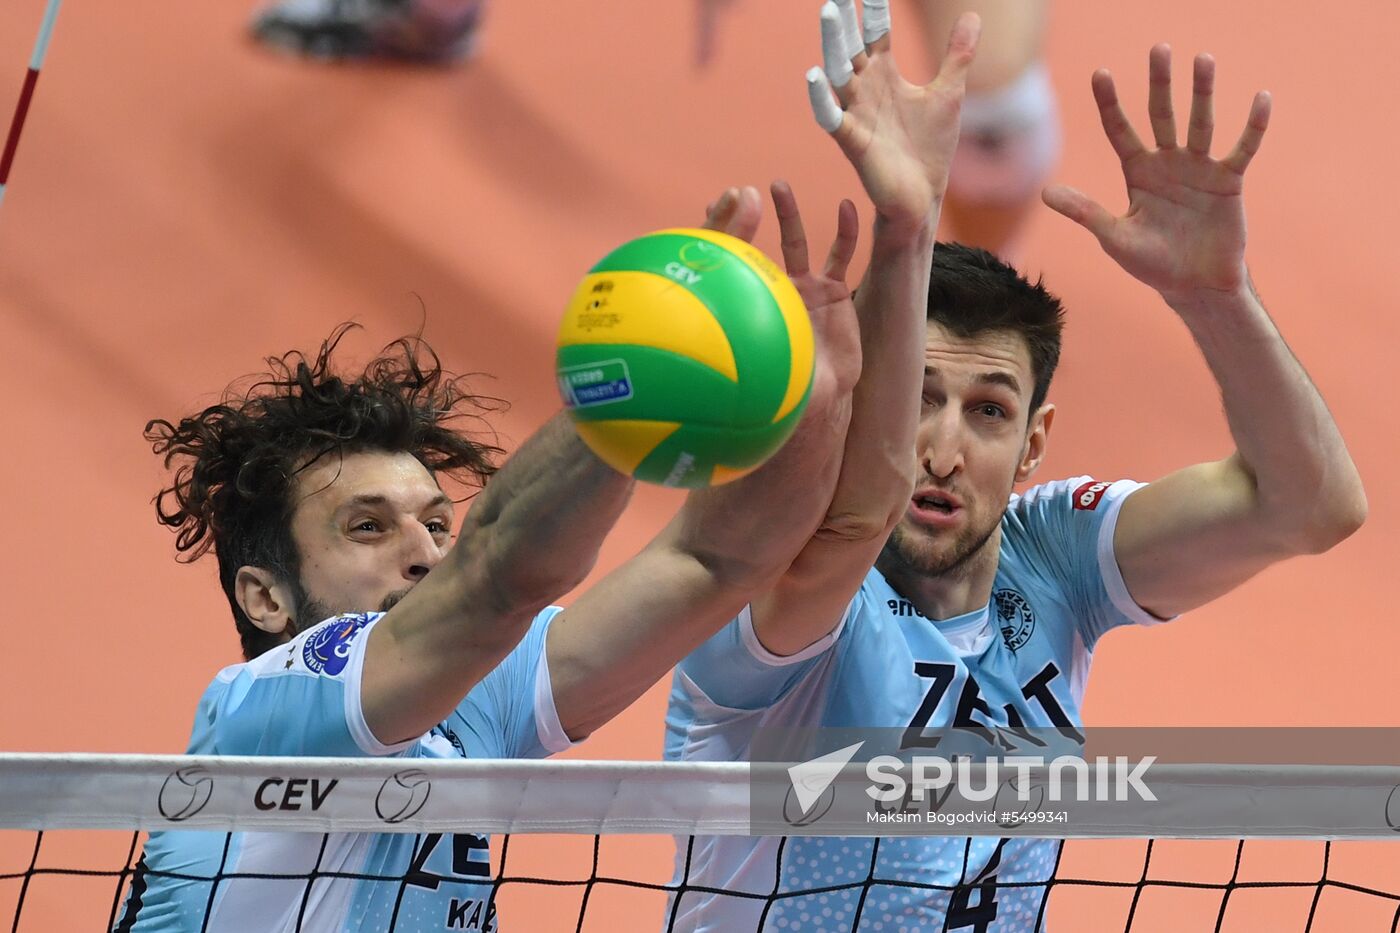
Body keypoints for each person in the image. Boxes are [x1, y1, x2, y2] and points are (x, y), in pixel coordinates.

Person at [112, 10, 982, 929]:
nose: (424, 551)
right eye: (368, 526)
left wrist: (835, 361)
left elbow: (716, 562)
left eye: (435, 523)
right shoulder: (262, 719)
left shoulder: (468, 717)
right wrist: (639, 372)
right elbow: (496, 575)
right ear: (265, 596)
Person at [664, 30, 1367, 933]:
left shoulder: (1053, 558)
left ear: (1035, 443)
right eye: (915, 399)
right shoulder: (777, 581)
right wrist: (907, 226)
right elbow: (842, 525)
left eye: (988, 411)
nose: (942, 449)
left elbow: (1309, 507)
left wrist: (1215, 296)